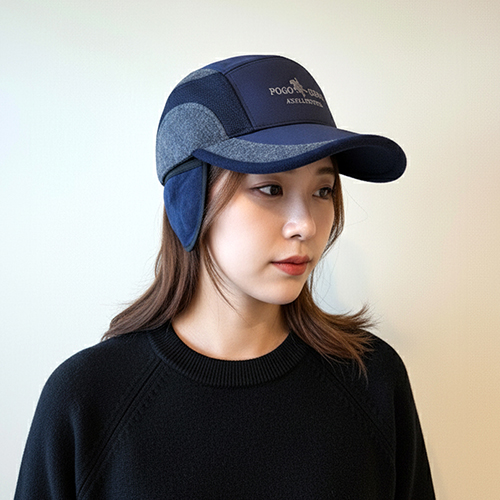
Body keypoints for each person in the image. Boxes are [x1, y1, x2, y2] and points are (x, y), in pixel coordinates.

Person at [15, 55, 435, 499]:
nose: (306, 225)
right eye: (270, 188)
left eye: (323, 190)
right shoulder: (87, 399)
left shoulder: (371, 380)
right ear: (189, 201)